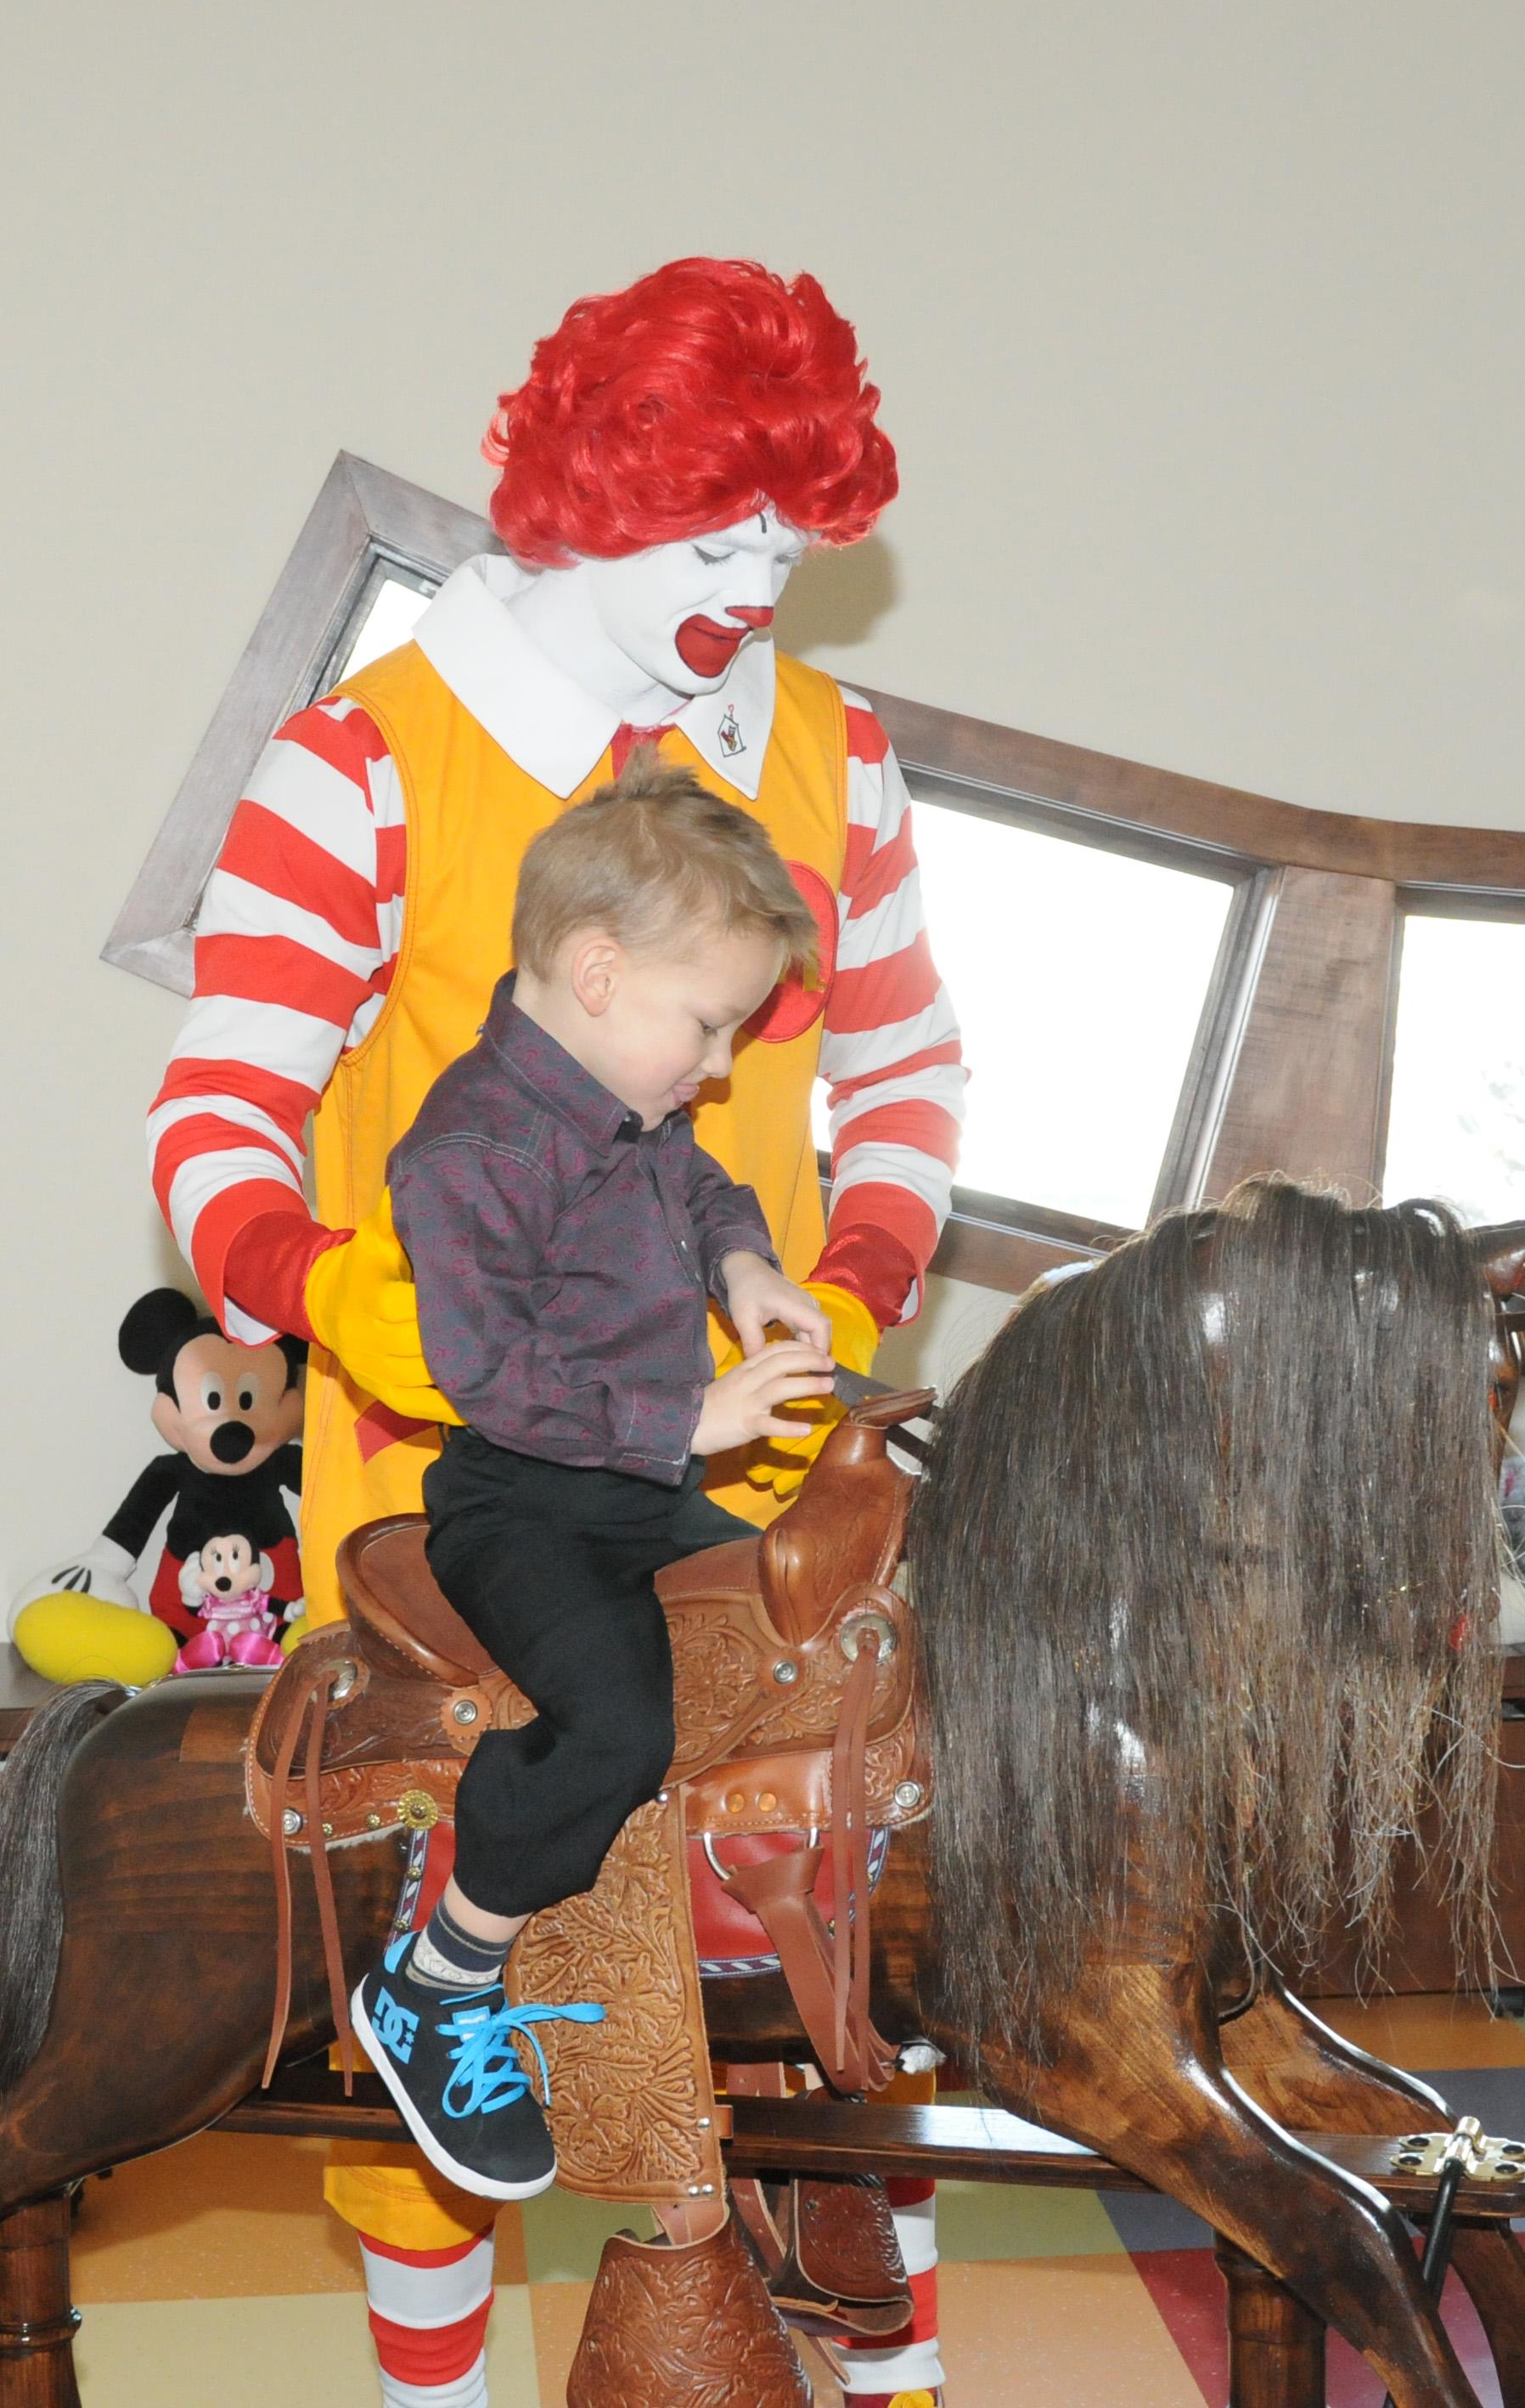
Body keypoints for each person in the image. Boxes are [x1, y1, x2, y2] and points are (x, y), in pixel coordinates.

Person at [133, 259, 960, 2408]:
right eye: (714, 540)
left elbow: (907, 1071)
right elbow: (221, 1109)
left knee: (866, 1943)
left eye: (788, 545)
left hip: (758, 1462)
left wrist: (844, 1285)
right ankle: (439, 2369)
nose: (751, 587)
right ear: (586, 509)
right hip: (457, 1467)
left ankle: (883, 2364)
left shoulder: (830, 753)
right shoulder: (365, 762)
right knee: (488, 1943)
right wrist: (347, 1310)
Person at [354, 759, 840, 2199]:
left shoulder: (633, 1110)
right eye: (708, 1024)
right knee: (620, 1723)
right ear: (597, 970)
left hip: (637, 1487)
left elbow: (699, 1186)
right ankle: (441, 1976)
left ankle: (733, 1959)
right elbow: (491, 1379)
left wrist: (745, 1266)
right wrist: (692, 1417)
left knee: (789, 1641)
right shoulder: (467, 1150)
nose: (718, 1063)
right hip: (524, 1502)